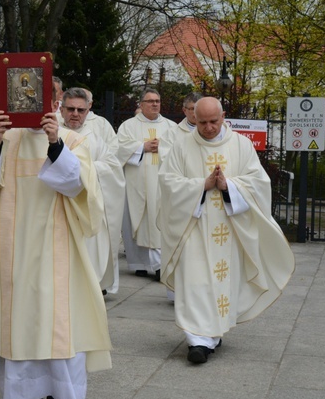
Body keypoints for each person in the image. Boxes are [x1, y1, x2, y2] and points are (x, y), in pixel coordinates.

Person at [0, 100, 111, 399]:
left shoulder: (71, 140)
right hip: (13, 247)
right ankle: (25, 396)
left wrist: (54, 144)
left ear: (55, 104)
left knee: (57, 320)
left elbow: (78, 187)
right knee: (20, 318)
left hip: (58, 247)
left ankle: (58, 398)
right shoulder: (7, 139)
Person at [158, 97, 295, 364]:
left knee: (222, 283)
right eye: (202, 122)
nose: (208, 127)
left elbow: (259, 183)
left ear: (223, 117)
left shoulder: (241, 145)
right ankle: (197, 341)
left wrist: (228, 186)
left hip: (229, 228)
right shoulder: (181, 145)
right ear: (193, 118)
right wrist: (202, 185)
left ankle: (213, 333)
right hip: (193, 227)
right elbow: (168, 183)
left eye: (213, 121)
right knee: (195, 281)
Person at [59, 87, 125, 295]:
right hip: (57, 207)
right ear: (61, 109)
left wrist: (85, 170)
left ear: (88, 111)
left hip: (86, 206)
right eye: (70, 109)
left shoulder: (93, 137)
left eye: (81, 110)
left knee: (87, 252)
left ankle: (89, 288)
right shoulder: (51, 132)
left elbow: (113, 167)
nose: (75, 114)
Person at [116, 88, 177, 278]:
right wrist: (142, 147)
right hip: (136, 184)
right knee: (138, 220)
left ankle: (159, 265)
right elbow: (118, 150)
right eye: (150, 101)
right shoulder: (128, 126)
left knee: (158, 222)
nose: (155, 104)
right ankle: (138, 263)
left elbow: (180, 151)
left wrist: (163, 148)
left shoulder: (171, 127)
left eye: (157, 101)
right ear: (141, 105)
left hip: (161, 184)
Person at [159, 92, 202, 302]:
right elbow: (167, 161)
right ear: (184, 110)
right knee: (180, 243)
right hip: (182, 197)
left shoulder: (213, 132)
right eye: (191, 109)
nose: (195, 113)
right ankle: (177, 291)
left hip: (205, 197)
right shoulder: (172, 134)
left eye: (198, 108)